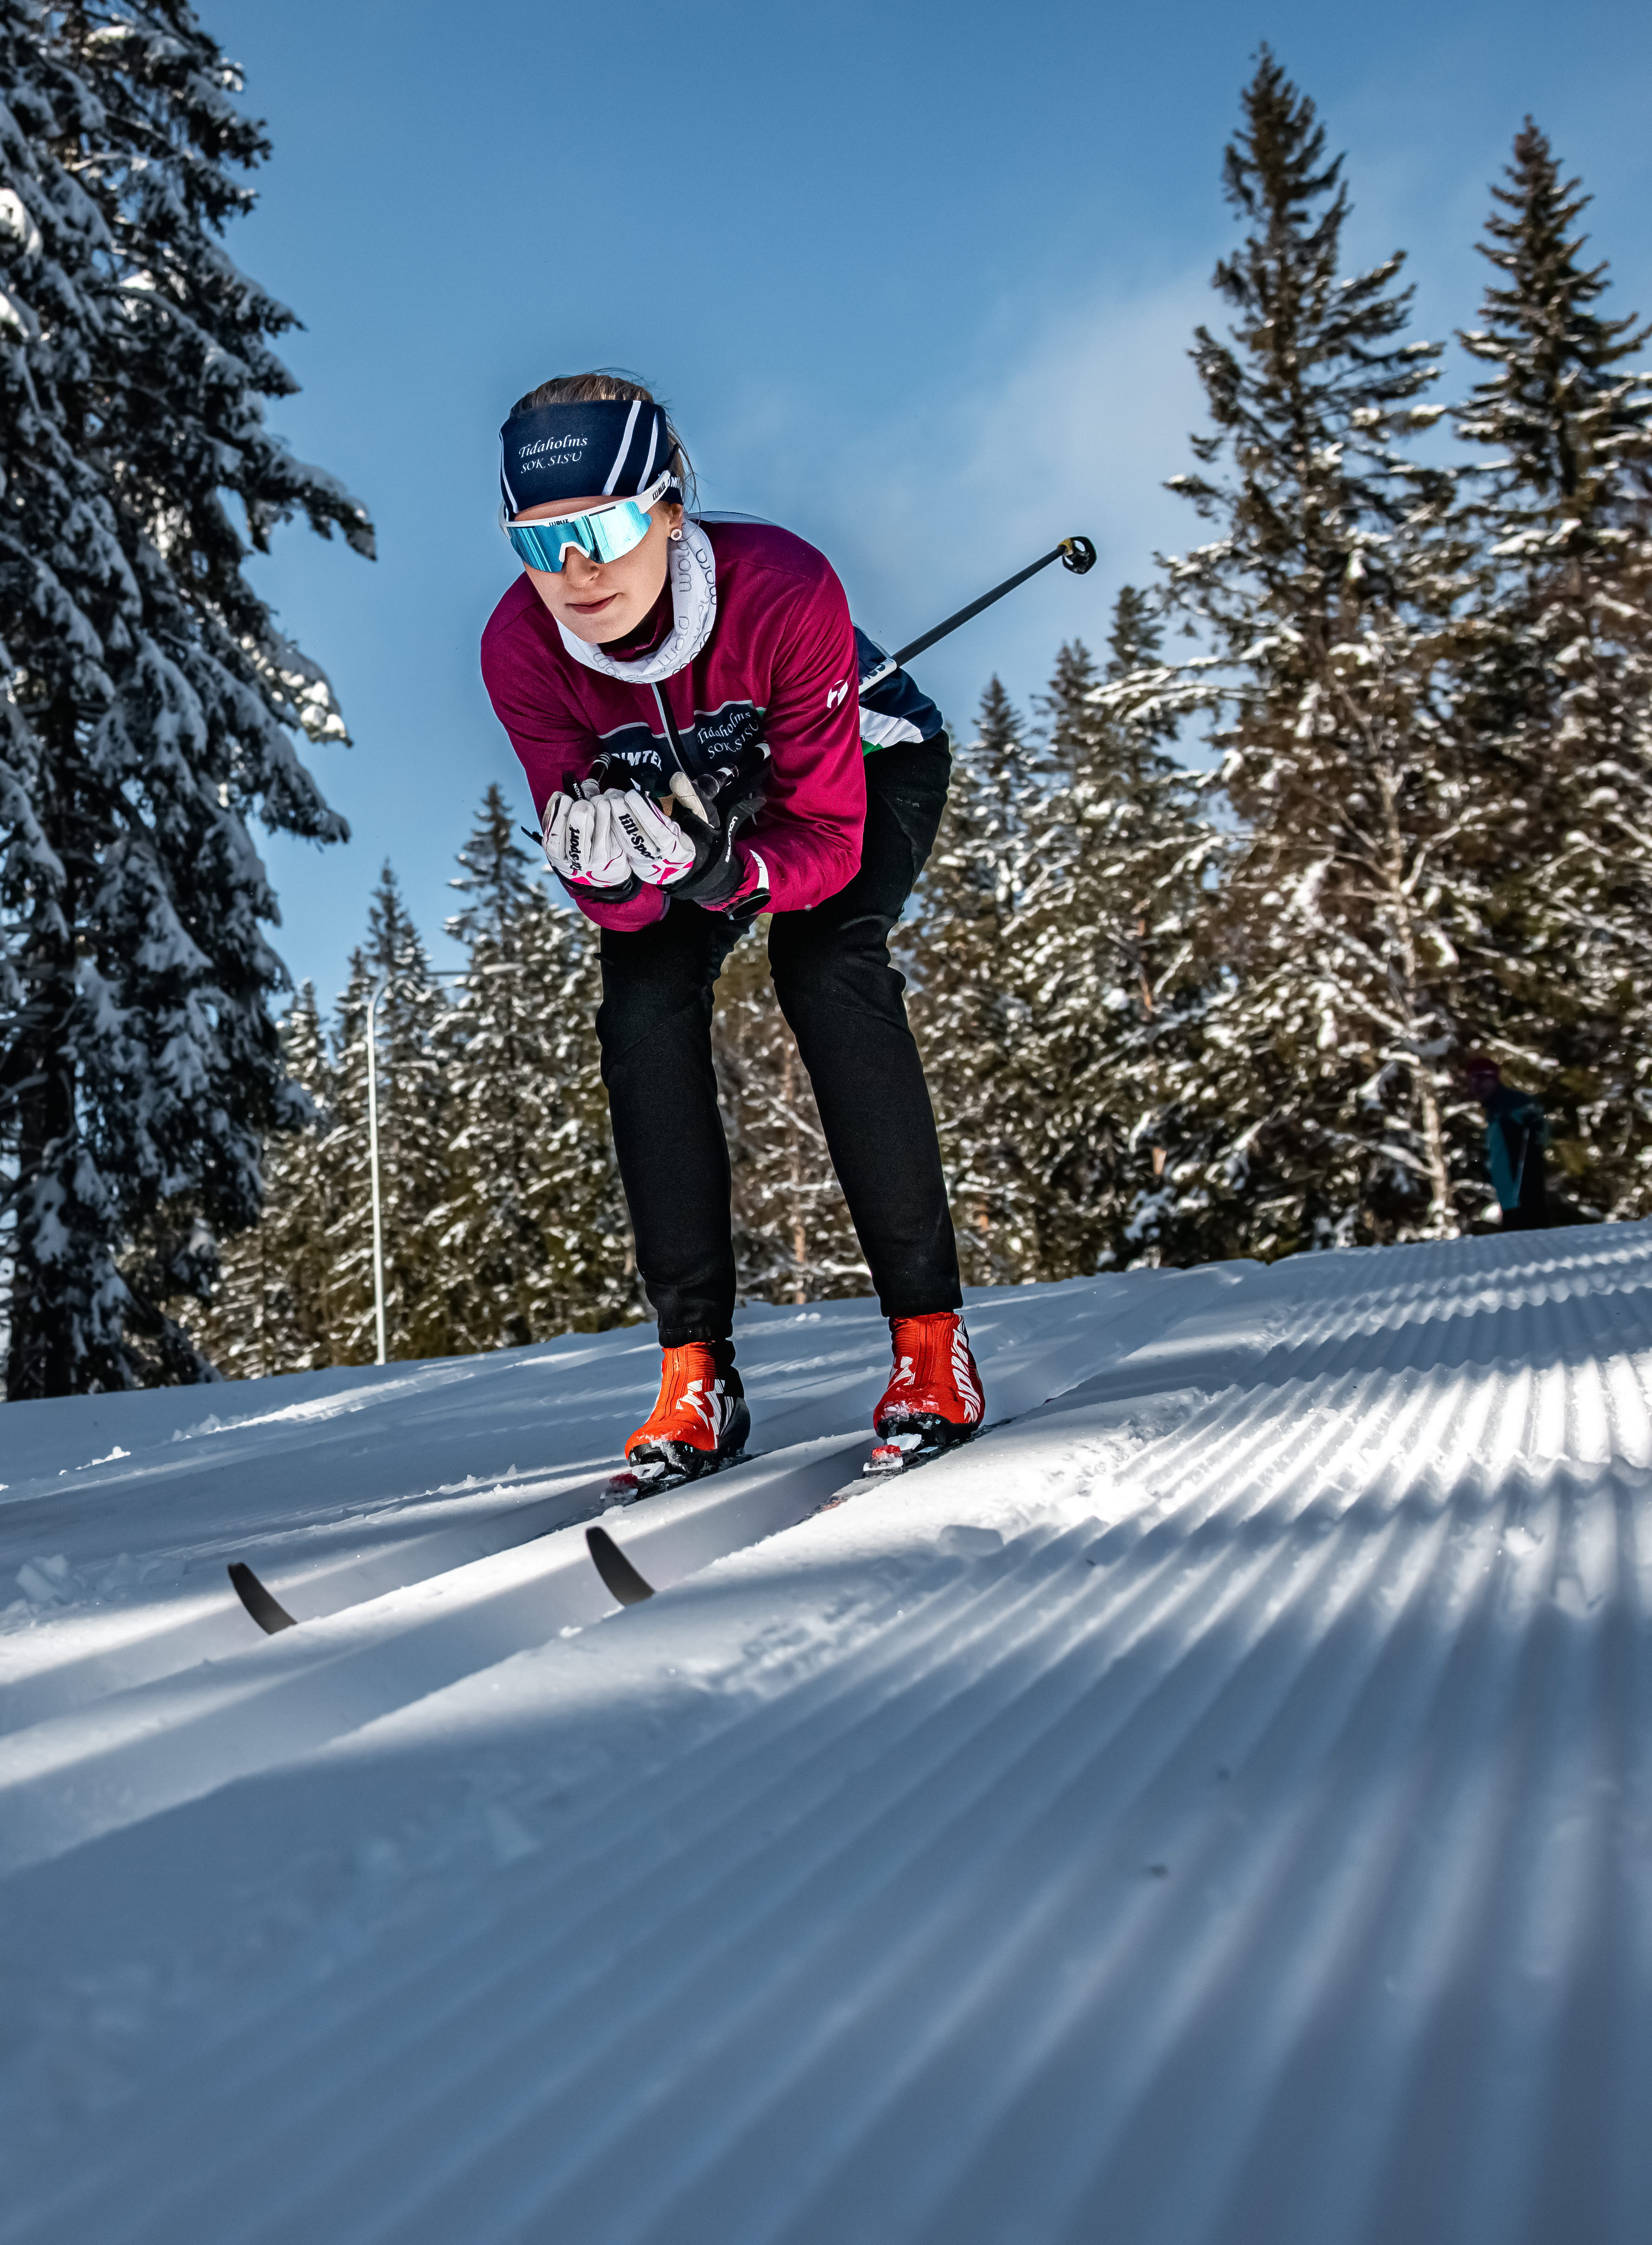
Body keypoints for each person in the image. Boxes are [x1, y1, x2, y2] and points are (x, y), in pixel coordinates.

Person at [480, 372, 984, 1482]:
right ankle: (693, 1373)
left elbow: (829, 843)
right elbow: (609, 896)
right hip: (696, 823)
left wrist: (724, 869)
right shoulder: (521, 649)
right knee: (642, 1004)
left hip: (855, 782)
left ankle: (929, 1346)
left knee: (826, 969)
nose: (578, 571)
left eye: (608, 527)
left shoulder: (780, 587)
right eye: (539, 540)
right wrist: (613, 876)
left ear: (670, 506)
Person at [1463, 1056, 1550, 1229]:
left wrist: (1534, 1124)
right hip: (1507, 1197)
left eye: (1483, 1079)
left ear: (1495, 1079)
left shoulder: (1512, 1103)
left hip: (1523, 1196)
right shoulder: (1493, 1110)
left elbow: (1541, 1129)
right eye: (1473, 1079)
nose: (1477, 1086)